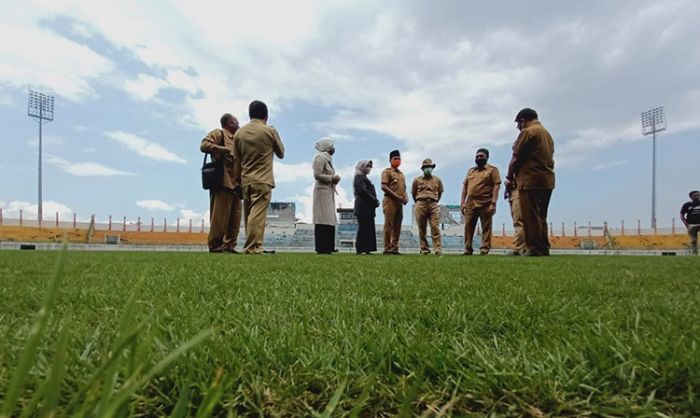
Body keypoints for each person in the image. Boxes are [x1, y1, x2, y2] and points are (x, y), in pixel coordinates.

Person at [233, 100, 285, 254]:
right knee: (257, 215)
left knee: (249, 214)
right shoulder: (269, 131)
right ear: (266, 116)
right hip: (263, 179)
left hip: (245, 179)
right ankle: (252, 247)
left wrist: (237, 180)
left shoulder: (239, 133)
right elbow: (281, 153)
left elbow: (237, 159)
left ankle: (255, 245)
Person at [506, 108, 555, 256]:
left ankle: (533, 248)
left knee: (530, 216)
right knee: (541, 216)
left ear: (522, 121)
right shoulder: (546, 134)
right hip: (547, 179)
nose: (518, 128)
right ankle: (543, 247)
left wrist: (509, 177)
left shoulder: (528, 132)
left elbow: (516, 158)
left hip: (530, 179)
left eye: (518, 124)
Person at [200, 113, 242, 253]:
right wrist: (223, 150)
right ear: (230, 122)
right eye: (236, 121)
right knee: (219, 217)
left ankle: (229, 245)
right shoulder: (219, 134)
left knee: (235, 218)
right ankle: (215, 245)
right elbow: (204, 145)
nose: (239, 124)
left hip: (236, 184)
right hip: (223, 181)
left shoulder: (237, 139)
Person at [461, 148, 501, 255]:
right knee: (468, 227)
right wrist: (463, 203)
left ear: (487, 157)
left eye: (481, 156)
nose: (479, 158)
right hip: (470, 203)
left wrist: (493, 203)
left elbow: (496, 187)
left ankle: (484, 249)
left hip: (486, 203)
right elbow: (465, 187)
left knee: (486, 228)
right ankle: (467, 249)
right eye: (477, 156)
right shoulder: (471, 171)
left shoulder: (492, 170)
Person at [312, 137, 340, 254]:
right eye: (331, 145)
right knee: (323, 218)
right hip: (322, 191)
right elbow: (317, 175)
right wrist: (332, 178)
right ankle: (322, 247)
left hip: (328, 190)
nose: (333, 148)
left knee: (329, 218)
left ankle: (329, 246)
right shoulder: (320, 158)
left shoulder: (328, 159)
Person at [411, 158, 444, 255]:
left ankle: (437, 249)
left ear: (432, 168)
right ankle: (424, 248)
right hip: (420, 203)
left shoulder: (438, 180)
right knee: (422, 228)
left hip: (433, 204)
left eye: (429, 167)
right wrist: (418, 202)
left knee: (435, 227)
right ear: (422, 169)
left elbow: (440, 192)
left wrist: (435, 200)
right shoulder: (417, 180)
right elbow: (413, 193)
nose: (427, 169)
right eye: (425, 167)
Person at [381, 150, 407, 255]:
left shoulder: (401, 174)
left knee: (397, 225)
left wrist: (405, 197)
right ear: (390, 160)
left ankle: (394, 247)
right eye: (395, 159)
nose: (398, 160)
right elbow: (384, 186)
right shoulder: (387, 172)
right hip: (390, 200)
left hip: (400, 202)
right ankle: (387, 248)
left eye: (399, 159)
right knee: (389, 224)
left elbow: (404, 188)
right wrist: (396, 196)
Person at [353, 160, 379, 254]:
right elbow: (363, 191)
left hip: (368, 207)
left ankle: (367, 248)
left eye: (370, 166)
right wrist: (374, 200)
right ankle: (361, 248)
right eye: (367, 166)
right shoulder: (359, 177)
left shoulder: (364, 178)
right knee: (363, 228)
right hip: (363, 207)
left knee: (368, 228)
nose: (369, 168)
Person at [504, 179, 527, 256]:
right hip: (513, 192)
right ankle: (523, 248)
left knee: (519, 222)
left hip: (519, 191)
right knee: (517, 221)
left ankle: (518, 248)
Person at [680, 190, 700, 255]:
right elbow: (682, 214)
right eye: (695, 195)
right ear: (691, 197)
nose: (697, 196)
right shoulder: (687, 205)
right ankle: (695, 253)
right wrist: (686, 224)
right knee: (693, 240)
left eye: (698, 195)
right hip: (691, 225)